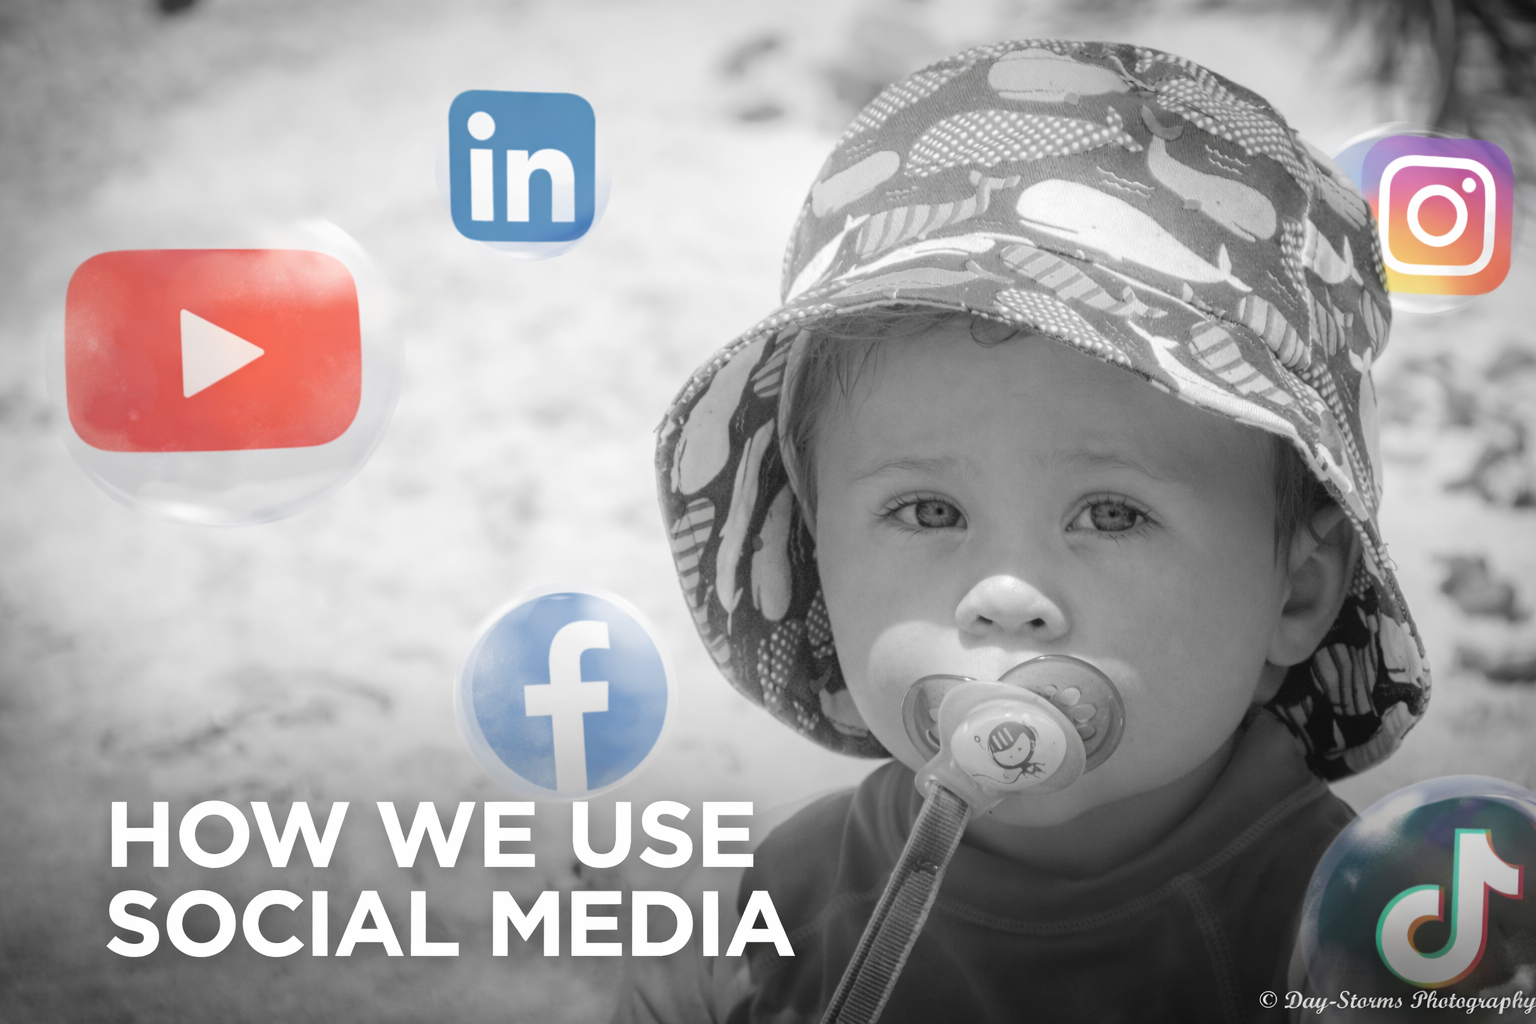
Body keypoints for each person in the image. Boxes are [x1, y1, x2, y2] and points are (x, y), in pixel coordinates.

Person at [622, 39, 1429, 1022]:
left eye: (1111, 513)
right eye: (928, 512)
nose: (1005, 597)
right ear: (815, 556)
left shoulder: (1365, 930)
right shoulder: (783, 909)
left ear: (1296, 591)